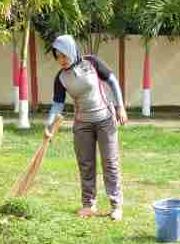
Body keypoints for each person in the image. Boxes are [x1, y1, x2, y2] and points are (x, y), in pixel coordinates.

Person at [45, 35, 127, 221]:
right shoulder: (61, 78)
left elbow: (112, 82)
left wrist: (120, 106)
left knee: (110, 163)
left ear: (72, 51)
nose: (62, 60)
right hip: (82, 124)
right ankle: (89, 204)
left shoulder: (92, 63)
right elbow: (57, 104)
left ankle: (116, 205)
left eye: (64, 55)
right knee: (86, 165)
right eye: (57, 56)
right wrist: (48, 126)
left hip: (105, 119)